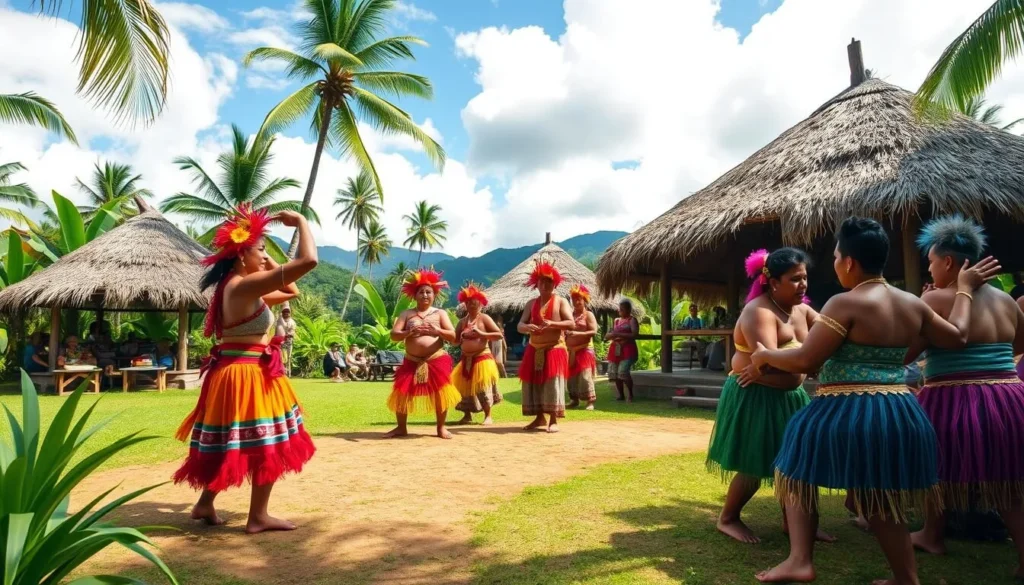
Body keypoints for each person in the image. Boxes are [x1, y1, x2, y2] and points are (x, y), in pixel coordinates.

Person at [747, 217, 998, 584]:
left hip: (846, 408)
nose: (835, 263)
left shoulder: (844, 302)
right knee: (882, 495)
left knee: (794, 469)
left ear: (849, 262)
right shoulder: (913, 304)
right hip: (899, 411)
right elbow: (957, 336)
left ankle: (800, 560)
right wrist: (963, 291)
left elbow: (805, 360)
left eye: (836, 257)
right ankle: (905, 578)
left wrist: (765, 356)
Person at [173, 205, 317, 534]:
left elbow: (292, 290)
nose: (267, 257)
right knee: (268, 442)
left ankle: (205, 503)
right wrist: (302, 223)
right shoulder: (241, 287)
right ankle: (258, 517)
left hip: (238, 371)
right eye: (262, 250)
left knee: (232, 441)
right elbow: (308, 262)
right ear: (241, 256)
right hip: (247, 373)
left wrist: (265, 261)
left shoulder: (240, 285)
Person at [906, 216, 1024, 577]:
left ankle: (931, 534)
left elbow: (907, 353)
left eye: (929, 260)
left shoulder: (937, 300)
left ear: (947, 262)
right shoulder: (1007, 301)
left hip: (953, 399)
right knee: (1007, 479)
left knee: (937, 471)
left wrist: (925, 304)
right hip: (1009, 399)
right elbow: (1018, 345)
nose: (929, 267)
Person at [706, 248, 832, 544]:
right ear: (773, 282)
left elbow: (831, 333)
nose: (803, 285)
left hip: (791, 397)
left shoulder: (801, 311)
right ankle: (728, 518)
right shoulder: (759, 312)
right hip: (756, 395)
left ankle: (795, 523)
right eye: (794, 279)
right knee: (755, 461)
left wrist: (814, 362)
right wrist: (807, 363)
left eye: (805, 278)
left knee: (796, 461)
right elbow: (771, 361)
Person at [386, 268, 461, 439]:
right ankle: (401, 428)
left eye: (429, 292)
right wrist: (408, 333)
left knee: (441, 392)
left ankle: (441, 428)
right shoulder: (407, 314)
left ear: (434, 295)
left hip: (436, 359)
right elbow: (393, 335)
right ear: (415, 295)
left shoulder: (440, 313)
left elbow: (453, 336)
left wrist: (437, 330)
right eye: (421, 292)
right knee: (401, 391)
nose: (425, 295)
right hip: (411, 360)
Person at [517, 259, 574, 433]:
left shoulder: (561, 302)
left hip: (554, 348)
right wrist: (527, 327)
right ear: (537, 283)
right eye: (542, 281)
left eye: (549, 281)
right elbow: (519, 325)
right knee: (534, 383)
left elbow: (570, 323)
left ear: (554, 284)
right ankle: (539, 417)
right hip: (534, 348)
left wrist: (553, 324)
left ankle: (553, 419)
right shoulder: (530, 304)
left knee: (551, 382)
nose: (545, 284)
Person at [452, 284, 504, 425]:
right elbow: (455, 342)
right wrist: (460, 338)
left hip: (482, 358)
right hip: (466, 358)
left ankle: (488, 415)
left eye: (474, 302)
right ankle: (467, 415)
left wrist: (481, 334)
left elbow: (498, 335)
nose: (471, 304)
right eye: (468, 302)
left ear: (480, 303)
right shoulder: (462, 322)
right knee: (465, 389)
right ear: (465, 304)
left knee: (482, 387)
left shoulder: (485, 318)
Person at [566, 284, 598, 410]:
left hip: (585, 349)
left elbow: (594, 331)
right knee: (571, 377)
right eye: (574, 299)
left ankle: (590, 401)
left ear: (585, 300)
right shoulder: (569, 315)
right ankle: (574, 400)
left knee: (585, 375)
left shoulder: (588, 315)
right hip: (571, 350)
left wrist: (577, 333)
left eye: (579, 299)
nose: (576, 301)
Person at [605, 299, 639, 402]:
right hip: (615, 349)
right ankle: (621, 395)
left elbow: (634, 334)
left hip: (628, 349)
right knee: (614, 373)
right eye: (619, 309)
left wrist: (619, 335)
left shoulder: (632, 320)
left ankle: (631, 394)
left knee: (623, 372)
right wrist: (611, 335)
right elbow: (608, 334)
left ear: (628, 310)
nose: (620, 311)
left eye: (622, 309)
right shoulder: (616, 321)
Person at [276, 304, 296, 376]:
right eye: (284, 312)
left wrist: (286, 334)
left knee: (288, 357)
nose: (286, 313)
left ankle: (288, 373)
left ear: (289, 313)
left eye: (287, 312)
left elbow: (292, 332)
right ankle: (281, 371)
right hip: (280, 342)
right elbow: (277, 331)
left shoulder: (292, 322)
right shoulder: (279, 321)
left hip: (288, 341)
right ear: (282, 313)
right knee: (280, 357)